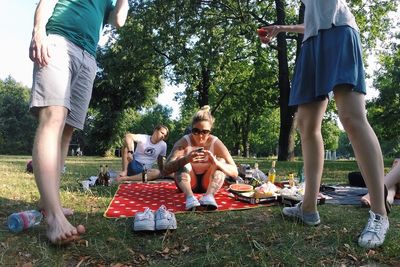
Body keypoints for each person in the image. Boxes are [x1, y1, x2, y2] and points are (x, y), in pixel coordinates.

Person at [258, 0, 389, 248]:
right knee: (306, 125)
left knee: (351, 118)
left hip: (339, 31)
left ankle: (379, 213)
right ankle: (308, 207)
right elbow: (315, 19)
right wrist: (282, 28)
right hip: (311, 42)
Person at [29, 0, 129, 244]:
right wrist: (38, 31)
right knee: (53, 116)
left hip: (88, 56)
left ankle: (47, 203)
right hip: (59, 42)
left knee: (67, 131)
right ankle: (53, 218)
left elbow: (118, 21)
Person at [163, 106, 238, 211]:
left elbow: (235, 172)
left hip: (207, 184)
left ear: (210, 131)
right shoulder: (184, 142)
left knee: (221, 162)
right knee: (181, 160)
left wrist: (216, 162)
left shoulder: (215, 143)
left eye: (205, 132)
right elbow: (165, 169)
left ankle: (209, 196)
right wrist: (186, 159)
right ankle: (190, 197)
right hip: (188, 184)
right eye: (196, 131)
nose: (200, 136)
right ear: (191, 129)